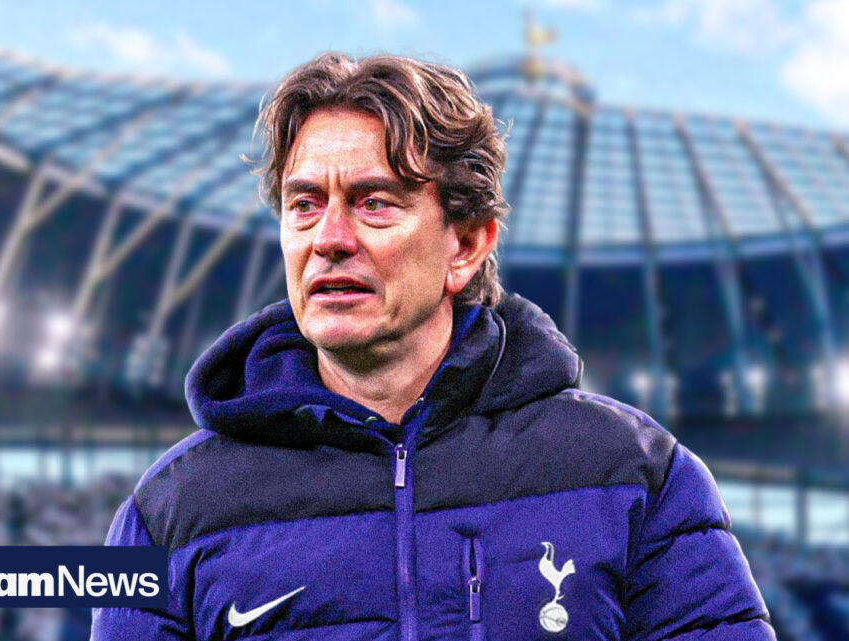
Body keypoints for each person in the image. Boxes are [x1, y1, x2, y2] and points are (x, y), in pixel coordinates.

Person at [91, 53, 774, 640]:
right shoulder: (169, 512)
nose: (329, 238)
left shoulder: (634, 474)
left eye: (374, 202)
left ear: (466, 244)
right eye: (304, 204)